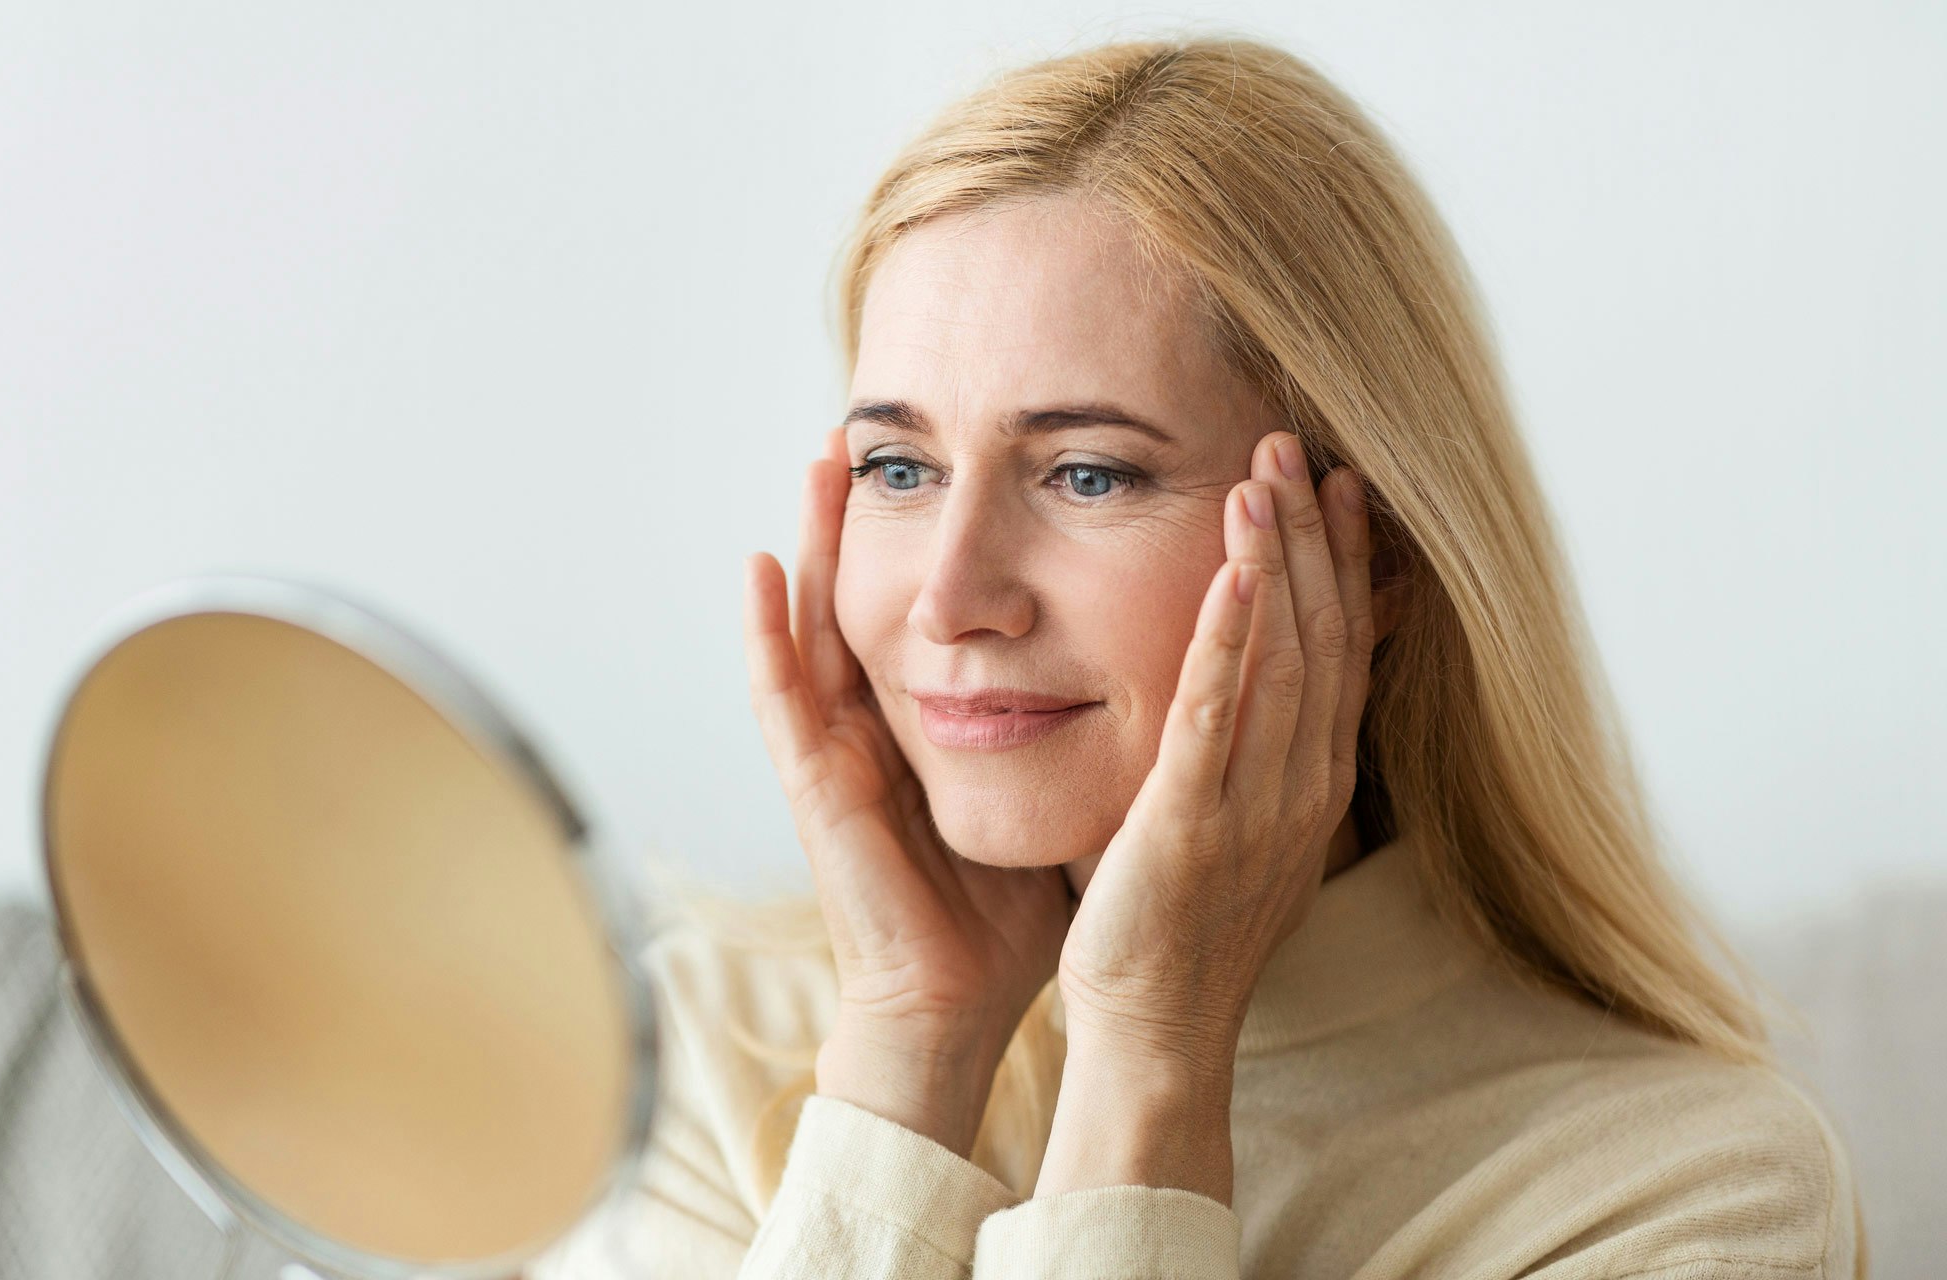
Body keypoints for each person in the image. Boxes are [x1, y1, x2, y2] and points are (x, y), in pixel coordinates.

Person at [533, 31, 1865, 1280]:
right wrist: (911, 1051)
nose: (948, 599)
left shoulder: (1686, 1186)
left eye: (1088, 474)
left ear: (1376, 562)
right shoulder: (704, 1053)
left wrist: (1151, 1061)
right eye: (899, 467)